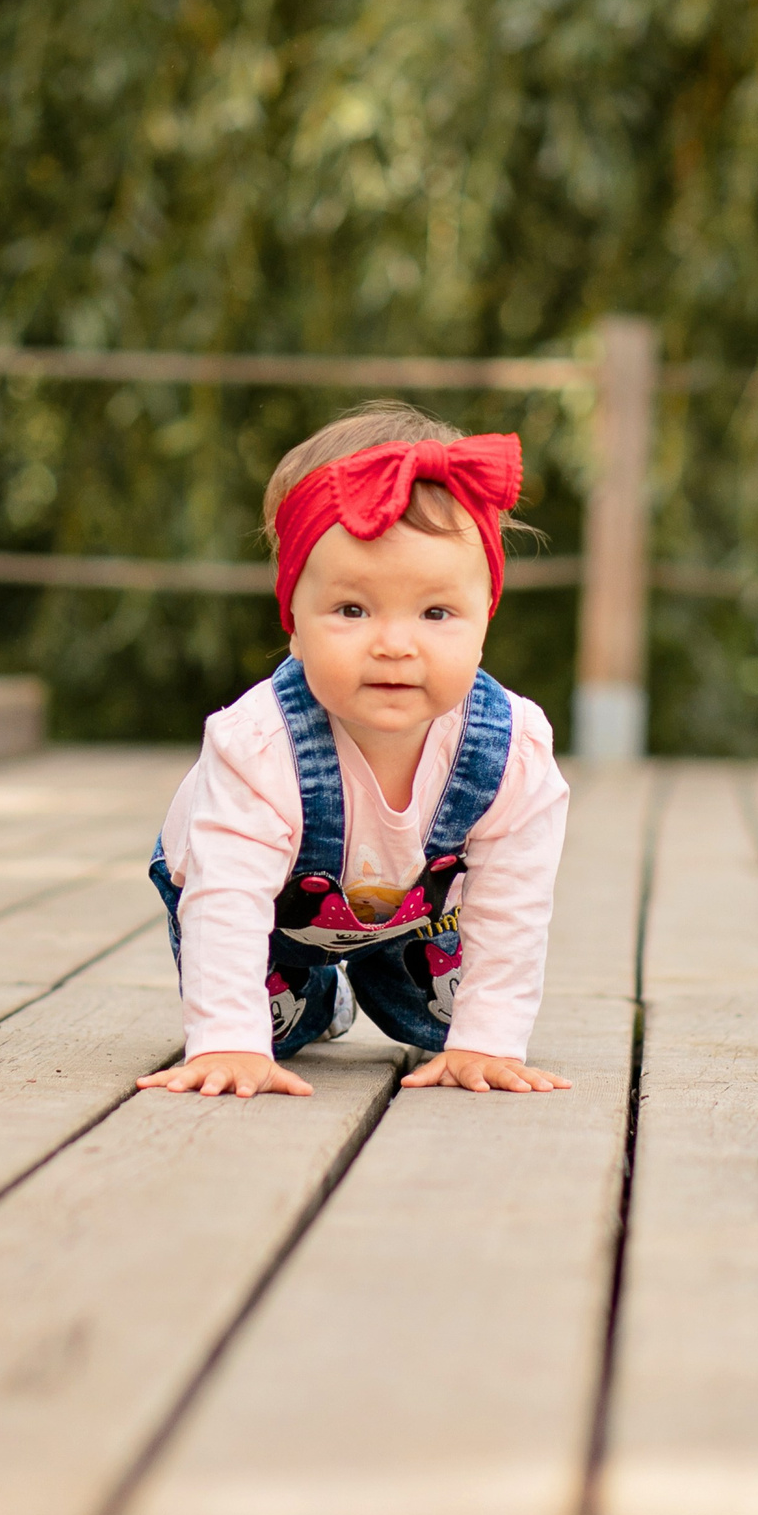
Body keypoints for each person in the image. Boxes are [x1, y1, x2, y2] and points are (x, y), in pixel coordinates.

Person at [138, 402, 572, 1100]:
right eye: (352, 610)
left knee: (444, 1029)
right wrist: (227, 1040)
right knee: (273, 1031)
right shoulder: (259, 746)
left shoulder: (511, 749)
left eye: (436, 613)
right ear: (294, 621)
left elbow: (513, 903)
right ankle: (324, 999)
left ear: (485, 619)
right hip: (273, 914)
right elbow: (227, 899)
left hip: (417, 909)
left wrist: (489, 1039)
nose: (394, 644)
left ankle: (384, 979)